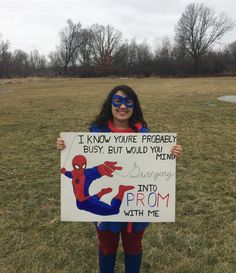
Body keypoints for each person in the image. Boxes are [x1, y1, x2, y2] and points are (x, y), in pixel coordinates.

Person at [56, 85, 183, 273]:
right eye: (118, 101)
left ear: (134, 106)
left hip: (136, 207)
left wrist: (173, 152)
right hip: (105, 208)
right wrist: (65, 146)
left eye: (128, 102)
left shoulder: (144, 135)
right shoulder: (96, 134)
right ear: (110, 104)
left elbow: (156, 162)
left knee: (133, 247)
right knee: (107, 246)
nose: (122, 106)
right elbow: (85, 162)